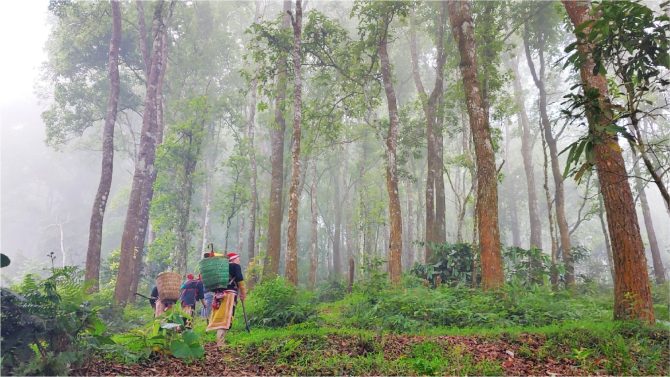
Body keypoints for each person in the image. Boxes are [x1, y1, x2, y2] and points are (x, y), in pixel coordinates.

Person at [206, 252, 247, 347]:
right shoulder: (235, 266)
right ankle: (220, 343)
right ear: (233, 259)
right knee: (226, 318)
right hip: (229, 295)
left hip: (218, 295)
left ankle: (220, 341)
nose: (239, 261)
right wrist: (243, 294)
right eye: (238, 258)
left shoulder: (220, 267)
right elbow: (240, 281)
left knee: (220, 317)